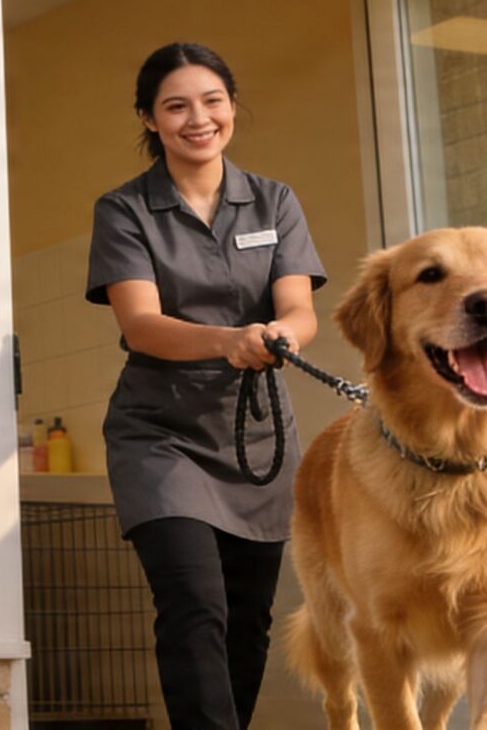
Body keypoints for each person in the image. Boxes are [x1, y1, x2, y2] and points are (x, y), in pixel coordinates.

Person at [86, 41, 326, 730]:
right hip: (160, 436)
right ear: (149, 117)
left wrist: (281, 333)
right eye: (176, 105)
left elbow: (300, 310)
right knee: (195, 603)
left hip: (257, 437)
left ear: (231, 105)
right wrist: (229, 340)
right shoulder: (126, 210)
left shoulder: (274, 201)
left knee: (248, 620)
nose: (199, 118)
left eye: (213, 100)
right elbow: (141, 326)